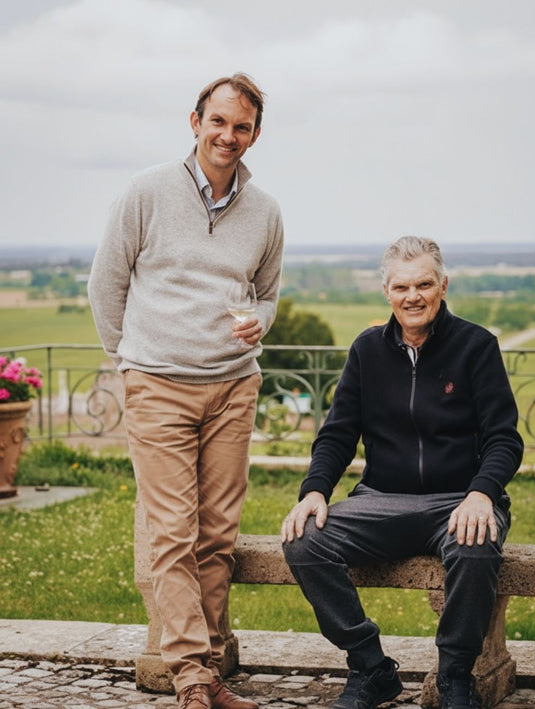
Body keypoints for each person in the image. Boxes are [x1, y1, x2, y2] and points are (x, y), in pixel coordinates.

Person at [88, 73, 284, 709]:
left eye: (242, 126)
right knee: (173, 533)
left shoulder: (266, 211)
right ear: (195, 122)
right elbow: (106, 285)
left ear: (255, 135)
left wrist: (261, 322)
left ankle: (211, 663)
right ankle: (194, 677)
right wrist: (131, 362)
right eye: (218, 121)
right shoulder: (145, 191)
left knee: (217, 535)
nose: (228, 135)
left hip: (233, 387)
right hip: (158, 385)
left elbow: (267, 294)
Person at [281, 236, 523, 709]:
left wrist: (482, 494)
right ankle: (370, 667)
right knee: (303, 539)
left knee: (475, 545)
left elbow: (504, 438)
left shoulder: (476, 346)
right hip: (381, 500)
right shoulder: (367, 350)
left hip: (459, 501)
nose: (413, 296)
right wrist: (314, 491)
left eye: (424, 285)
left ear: (443, 286)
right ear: (386, 293)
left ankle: (455, 676)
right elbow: (337, 433)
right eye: (401, 287)